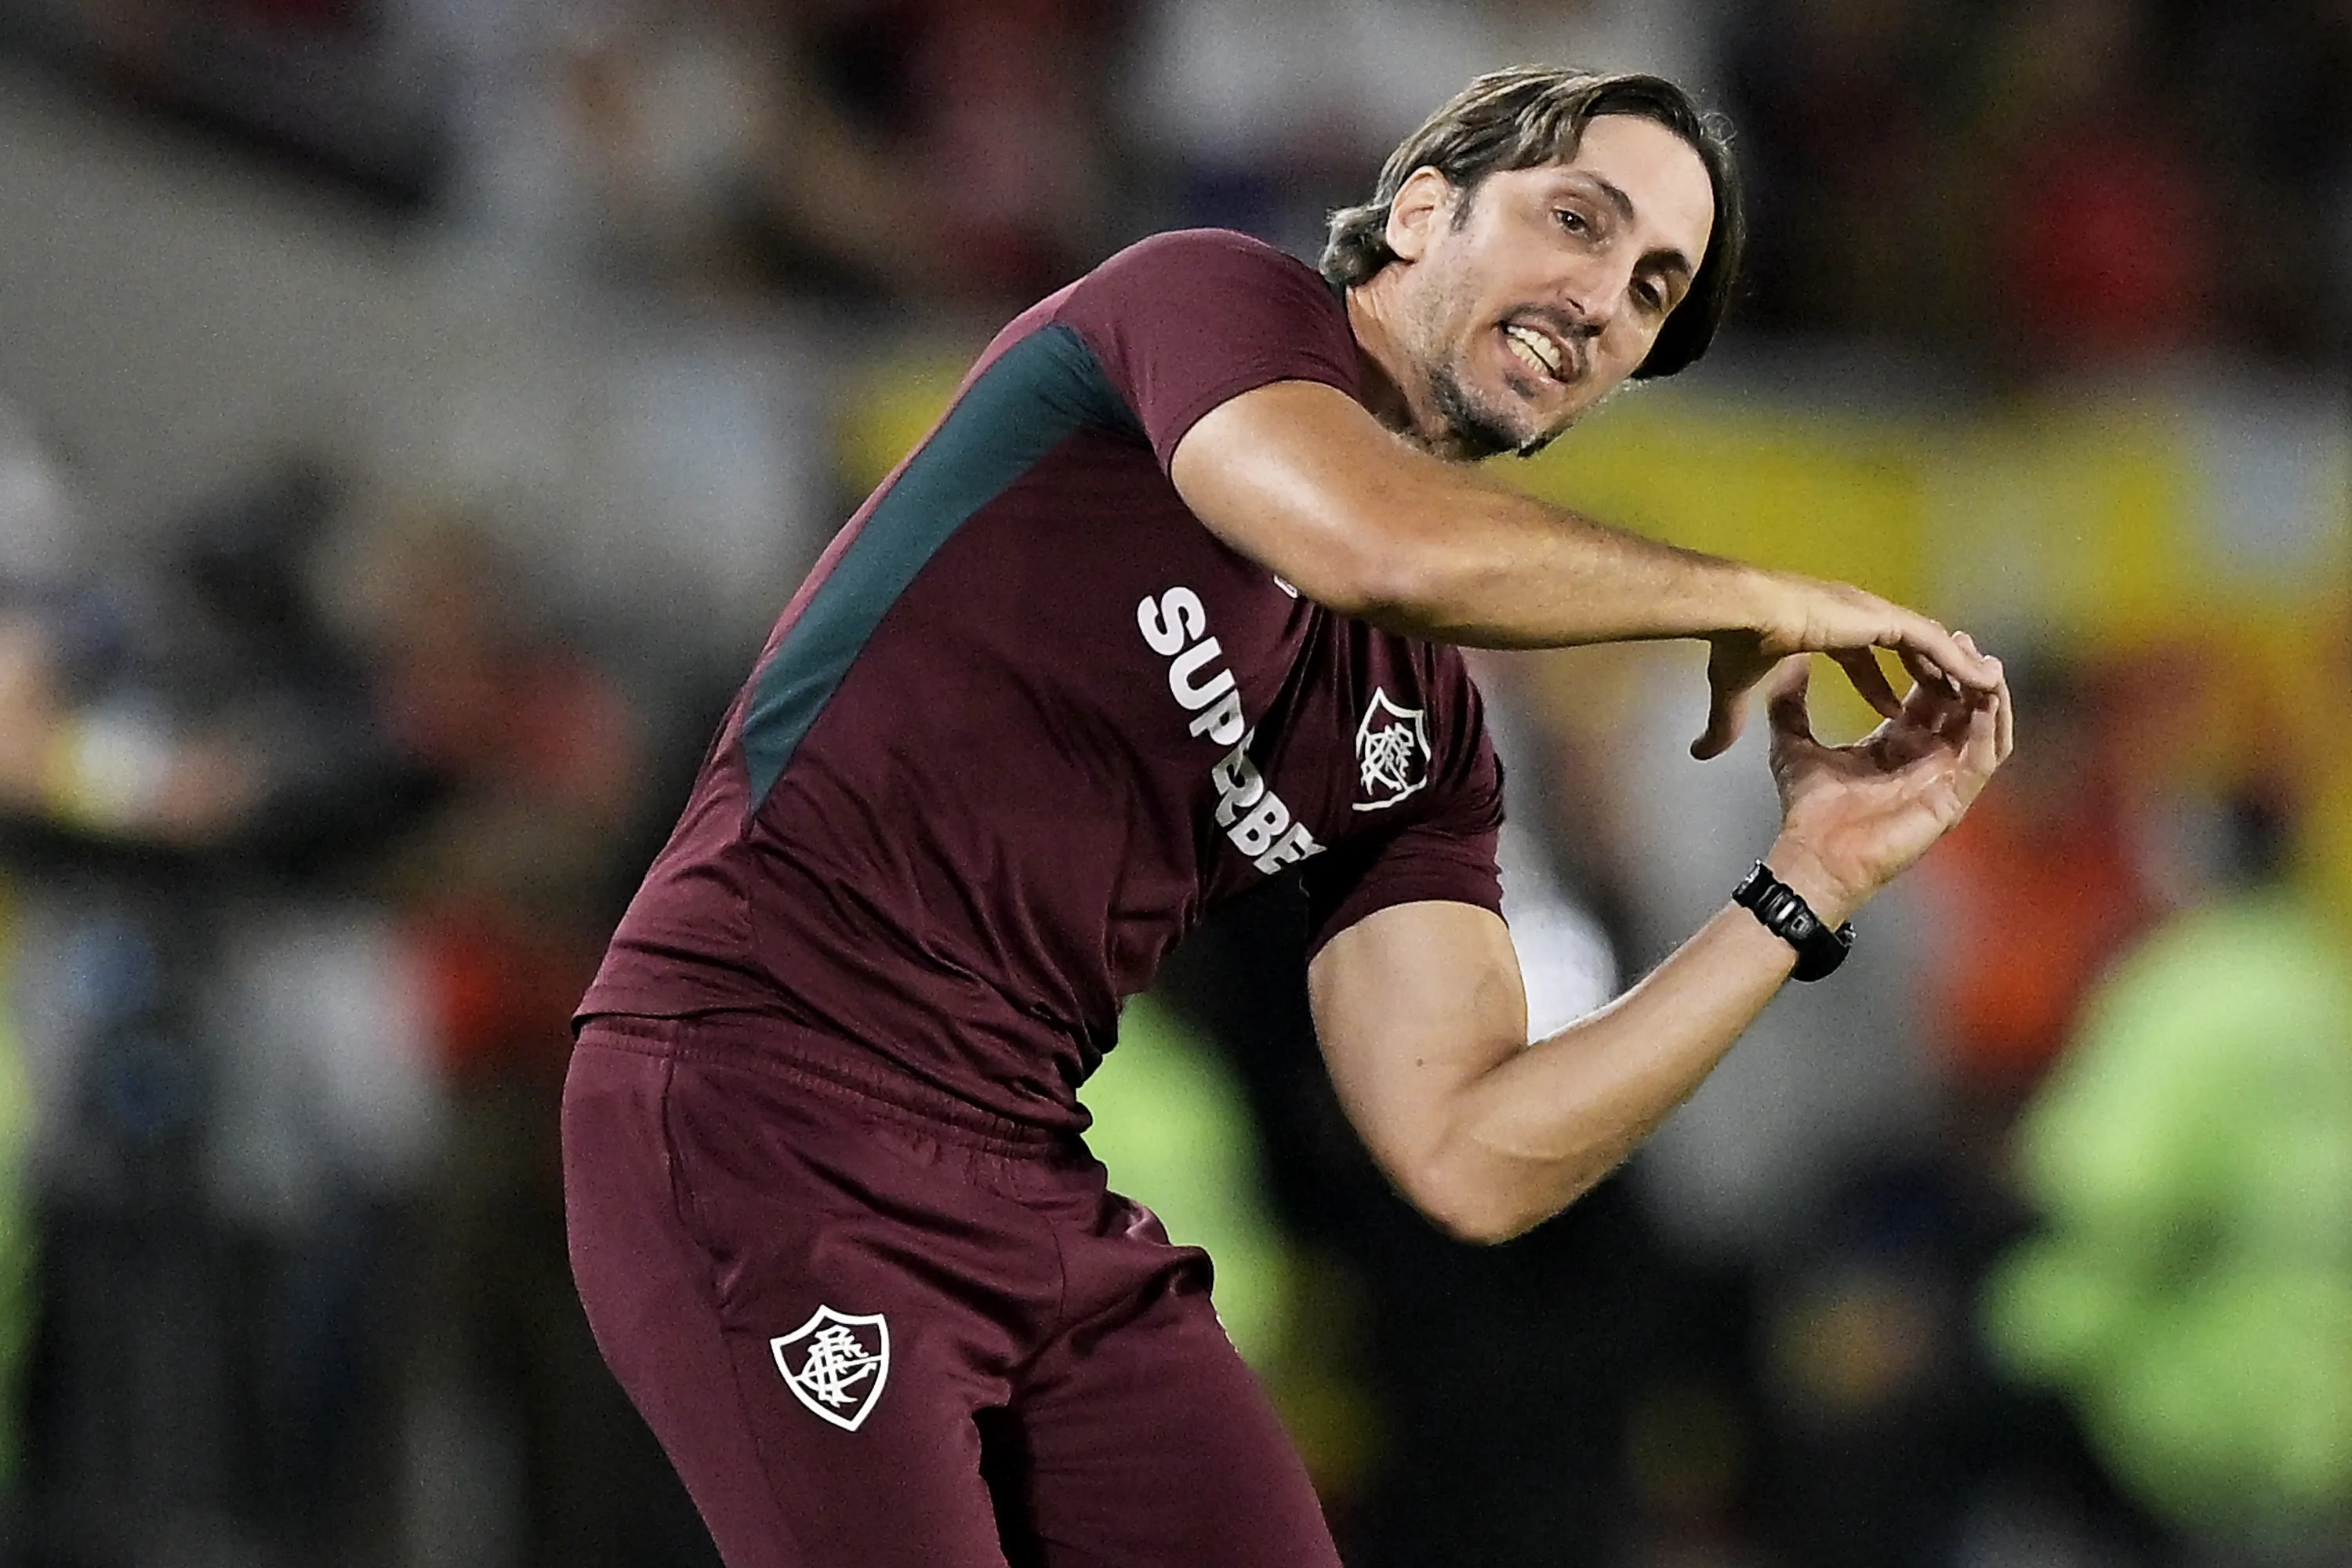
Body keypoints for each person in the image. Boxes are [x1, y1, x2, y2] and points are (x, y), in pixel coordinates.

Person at [561, 65, 2014, 1568]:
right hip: (759, 1095)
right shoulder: (1204, 306)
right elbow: (1362, 536)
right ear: (1422, 210)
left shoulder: (1422, 738)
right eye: (1576, 221)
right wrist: (1756, 587)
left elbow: (1472, 1151)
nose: (1603, 299)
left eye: (1652, 288)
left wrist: (1801, 886)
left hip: (1026, 1176)